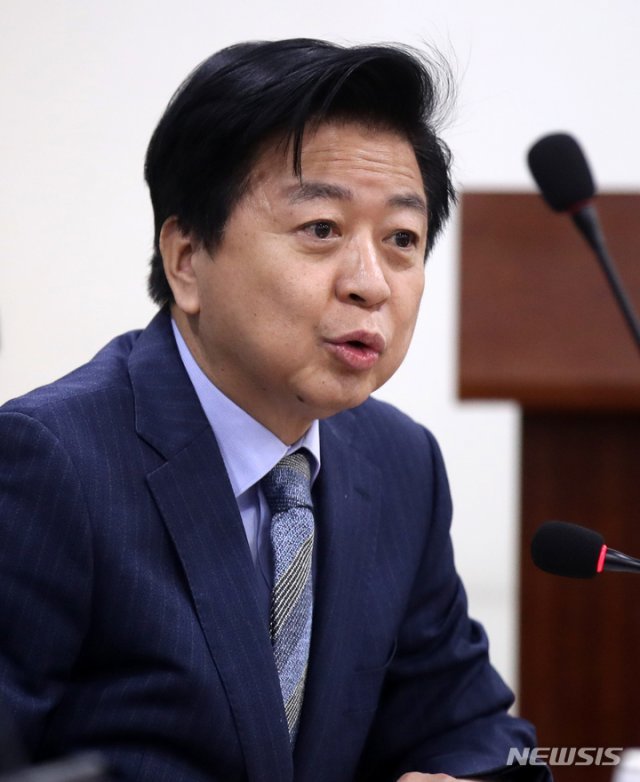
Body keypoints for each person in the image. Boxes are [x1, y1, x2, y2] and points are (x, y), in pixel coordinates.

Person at [0, 39, 545, 782]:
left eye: (402, 240)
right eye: (321, 229)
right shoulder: (50, 462)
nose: (371, 283)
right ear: (187, 260)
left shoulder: (400, 465)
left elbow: (471, 725)